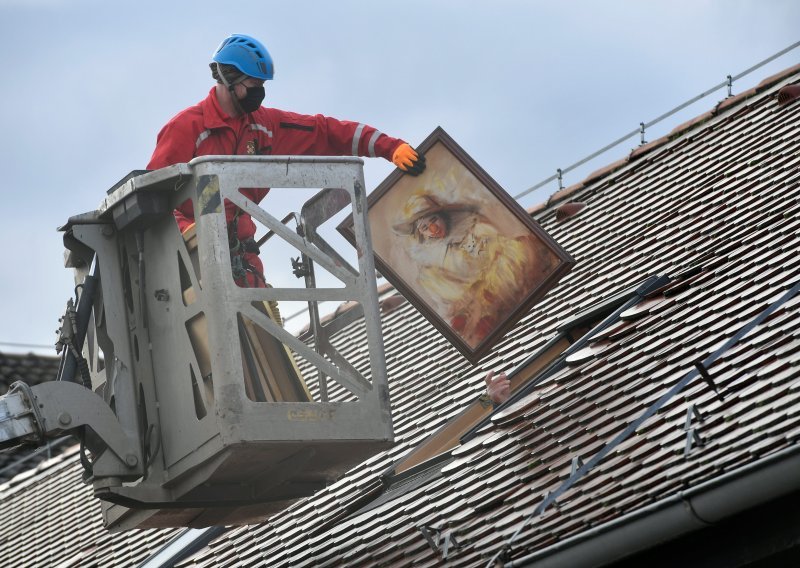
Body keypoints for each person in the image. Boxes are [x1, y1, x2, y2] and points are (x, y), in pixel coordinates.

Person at [147, 33, 426, 287]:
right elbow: (153, 202)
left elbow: (325, 131)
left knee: (261, 334)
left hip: (243, 258)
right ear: (228, 78)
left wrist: (390, 148)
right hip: (189, 263)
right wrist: (191, 234)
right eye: (252, 84)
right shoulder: (187, 129)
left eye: (262, 84)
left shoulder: (265, 126)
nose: (259, 91)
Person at [392, 192, 558, 347]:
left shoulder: (473, 228)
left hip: (500, 275)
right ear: (421, 233)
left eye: (434, 220)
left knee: (517, 251)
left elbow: (496, 247)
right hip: (472, 297)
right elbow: (450, 293)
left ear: (442, 216)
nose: (433, 229)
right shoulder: (430, 265)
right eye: (425, 228)